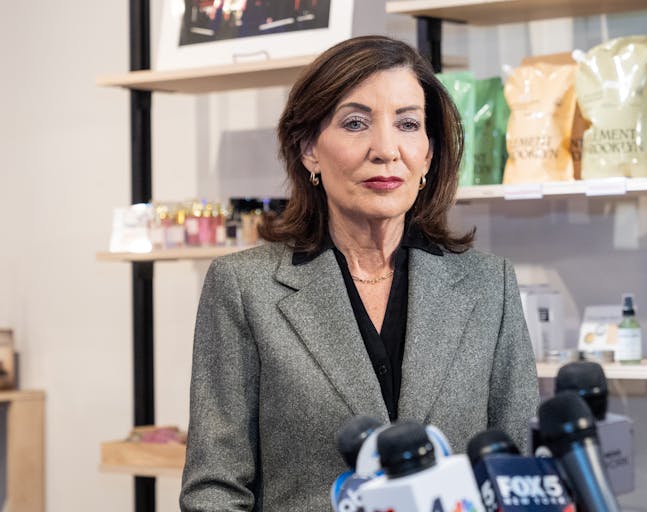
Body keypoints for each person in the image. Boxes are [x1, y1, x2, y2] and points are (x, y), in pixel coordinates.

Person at [180, 35, 538, 511]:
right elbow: (215, 489)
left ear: (429, 153)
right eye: (355, 123)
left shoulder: (489, 285)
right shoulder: (245, 288)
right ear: (309, 148)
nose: (386, 149)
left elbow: (520, 472)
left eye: (408, 124)